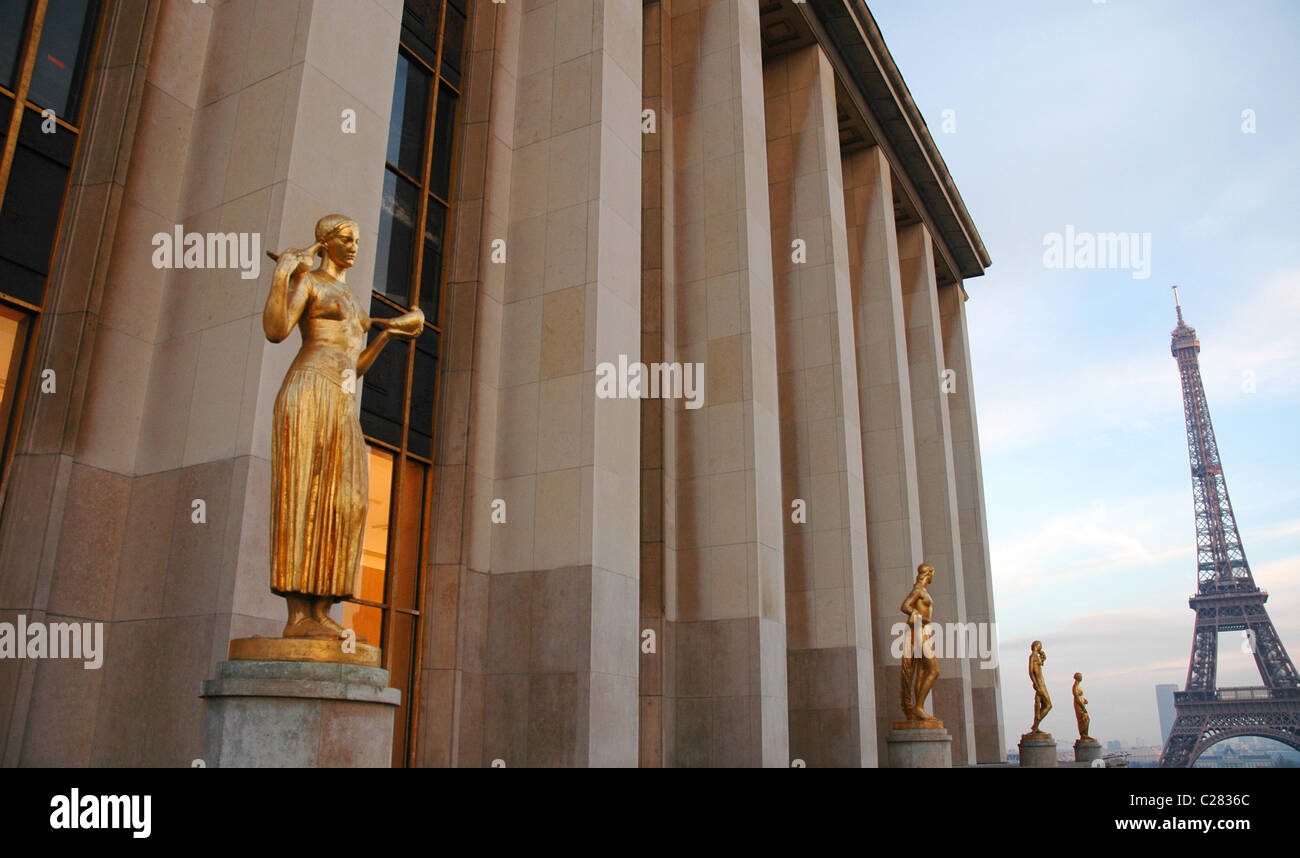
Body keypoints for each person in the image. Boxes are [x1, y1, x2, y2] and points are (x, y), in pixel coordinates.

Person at [263, 214, 423, 639]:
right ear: (325, 242)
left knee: (346, 502)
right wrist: (283, 275)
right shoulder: (310, 282)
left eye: (356, 240)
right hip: (309, 389)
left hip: (342, 397)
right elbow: (276, 330)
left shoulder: (351, 296)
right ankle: (298, 616)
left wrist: (389, 335)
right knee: (303, 494)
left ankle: (321, 609)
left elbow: (356, 365)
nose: (354, 246)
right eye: (346, 239)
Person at [899, 563, 940, 722]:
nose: (933, 576)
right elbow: (905, 606)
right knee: (934, 670)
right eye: (933, 573)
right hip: (918, 630)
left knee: (922, 671)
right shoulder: (918, 591)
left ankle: (919, 709)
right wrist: (916, 613)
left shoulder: (923, 591)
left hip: (923, 630)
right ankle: (919, 707)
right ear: (929, 573)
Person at [1029, 640, 1052, 733]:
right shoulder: (1033, 656)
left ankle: (1036, 726)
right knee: (1048, 705)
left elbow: (1040, 664)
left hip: (1041, 683)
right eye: (1040, 645)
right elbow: (1031, 671)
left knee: (1041, 705)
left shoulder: (1036, 656)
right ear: (1037, 645)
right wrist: (1035, 683)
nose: (1041, 647)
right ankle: (1035, 725)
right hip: (1039, 684)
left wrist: (1043, 657)